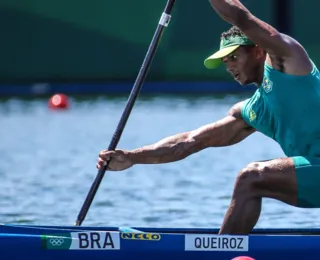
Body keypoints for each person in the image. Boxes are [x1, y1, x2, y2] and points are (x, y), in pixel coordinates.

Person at [97, 0, 320, 235]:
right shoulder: (255, 110)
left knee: (252, 177)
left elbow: (242, 18)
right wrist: (133, 157)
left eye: (234, 57)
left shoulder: (287, 59)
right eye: (225, 62)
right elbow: (191, 141)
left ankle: (220, 252)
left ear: (257, 50)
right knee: (252, 179)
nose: (229, 67)